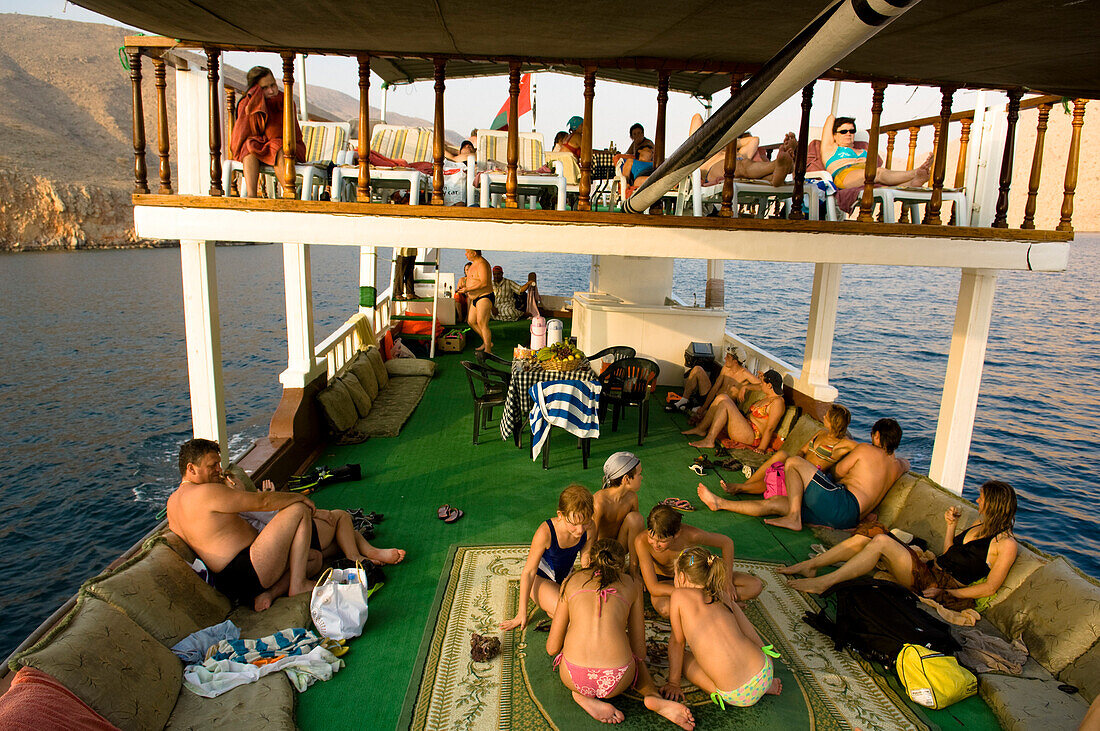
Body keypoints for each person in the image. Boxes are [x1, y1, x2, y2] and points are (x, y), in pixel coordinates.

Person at [785, 481, 1019, 613]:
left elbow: (990, 588)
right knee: (875, 530)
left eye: (981, 498)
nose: (978, 501)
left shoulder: (1006, 544)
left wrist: (946, 593)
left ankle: (825, 582)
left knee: (882, 541)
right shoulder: (981, 523)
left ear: (994, 504)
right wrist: (951, 526)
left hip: (937, 587)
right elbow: (950, 554)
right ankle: (811, 565)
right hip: (929, 569)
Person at [546, 538, 696, 729]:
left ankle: (581, 695)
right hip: (617, 679)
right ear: (621, 564)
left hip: (573, 676)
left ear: (591, 560)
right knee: (633, 655)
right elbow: (640, 652)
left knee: (571, 638)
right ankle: (652, 696)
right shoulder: (632, 584)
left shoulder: (571, 581)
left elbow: (552, 648)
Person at [167, 438, 317, 612]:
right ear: (191, 468)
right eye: (212, 466)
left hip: (231, 583)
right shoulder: (206, 492)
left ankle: (271, 593)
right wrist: (300, 497)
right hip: (248, 567)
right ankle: (298, 585)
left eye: (219, 464)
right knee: (298, 509)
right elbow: (263, 501)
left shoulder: (172, 504)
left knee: (313, 558)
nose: (219, 470)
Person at [697, 418, 909, 532]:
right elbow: (906, 464)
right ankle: (719, 503)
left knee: (793, 463)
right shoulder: (898, 465)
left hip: (842, 503)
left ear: (877, 436)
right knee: (776, 502)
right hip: (848, 519)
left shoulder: (866, 450)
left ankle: (794, 517)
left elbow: (836, 473)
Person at [661, 547, 782, 709]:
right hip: (765, 671)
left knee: (685, 658)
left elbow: (677, 642)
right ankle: (765, 686)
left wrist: (673, 683)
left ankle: (716, 692)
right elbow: (747, 628)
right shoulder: (722, 593)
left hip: (735, 695)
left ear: (681, 577)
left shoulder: (679, 596)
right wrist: (764, 653)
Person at [237, 478, 406, 567]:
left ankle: (372, 552)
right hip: (294, 538)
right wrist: (318, 514)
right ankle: (356, 558)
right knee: (340, 517)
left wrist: (270, 495)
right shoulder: (245, 502)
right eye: (234, 479)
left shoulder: (242, 507)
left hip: (292, 543)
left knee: (344, 535)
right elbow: (278, 517)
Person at [634, 505, 762, 618]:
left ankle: (705, 607)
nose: (656, 545)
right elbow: (653, 588)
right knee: (666, 609)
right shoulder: (642, 541)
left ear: (677, 534)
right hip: (666, 583)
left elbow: (726, 543)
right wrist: (698, 594)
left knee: (754, 586)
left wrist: (727, 581)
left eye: (662, 541)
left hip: (695, 578)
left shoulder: (691, 535)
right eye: (652, 538)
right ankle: (716, 606)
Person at [500, 485, 596, 631]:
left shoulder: (590, 527)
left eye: (585, 522)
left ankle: (553, 611)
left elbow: (585, 558)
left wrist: (588, 582)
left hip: (567, 576)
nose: (580, 530)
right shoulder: (546, 532)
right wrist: (521, 613)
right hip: (540, 580)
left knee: (588, 609)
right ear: (560, 515)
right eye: (574, 524)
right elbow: (529, 572)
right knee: (571, 616)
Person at [722, 403, 857, 496]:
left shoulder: (843, 444)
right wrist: (795, 459)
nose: (823, 417)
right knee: (781, 455)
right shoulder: (821, 433)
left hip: (810, 475)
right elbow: (803, 450)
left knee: (779, 477)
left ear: (833, 421)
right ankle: (747, 484)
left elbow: (862, 449)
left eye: (826, 416)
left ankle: (741, 488)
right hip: (798, 464)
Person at [229, 66, 307, 199]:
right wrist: (256, 102)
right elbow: (244, 132)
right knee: (249, 147)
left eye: (273, 85)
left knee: (278, 147)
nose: (271, 90)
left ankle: (289, 195)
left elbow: (275, 133)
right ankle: (252, 196)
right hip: (263, 147)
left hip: (290, 147)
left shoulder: (285, 101)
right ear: (256, 89)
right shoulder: (250, 103)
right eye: (265, 88)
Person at [682, 369, 785, 452]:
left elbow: (770, 428)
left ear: (769, 385)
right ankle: (701, 428)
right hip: (746, 426)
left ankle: (709, 440)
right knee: (722, 397)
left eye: (763, 383)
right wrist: (745, 387)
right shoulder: (769, 395)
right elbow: (758, 387)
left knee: (726, 403)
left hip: (752, 436)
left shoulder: (777, 403)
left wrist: (761, 449)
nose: (760, 384)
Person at [821, 114, 931, 190]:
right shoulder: (831, 149)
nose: (848, 134)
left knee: (887, 184)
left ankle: (914, 182)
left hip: (868, 175)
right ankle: (916, 172)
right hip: (845, 174)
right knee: (878, 173)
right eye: (843, 131)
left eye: (852, 131)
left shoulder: (863, 150)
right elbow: (830, 118)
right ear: (834, 135)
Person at [689, 113, 795, 188]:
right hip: (714, 168)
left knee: (756, 172)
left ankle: (777, 177)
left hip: (742, 166)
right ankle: (778, 164)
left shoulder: (739, 151)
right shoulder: (704, 150)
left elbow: (754, 140)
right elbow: (697, 118)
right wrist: (720, 143)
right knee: (741, 165)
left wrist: (729, 143)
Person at [591, 452, 645, 573]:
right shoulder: (600, 501)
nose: (641, 477)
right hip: (602, 550)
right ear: (626, 479)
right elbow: (591, 535)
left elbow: (636, 531)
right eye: (639, 474)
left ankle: (633, 570)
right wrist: (592, 565)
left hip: (620, 547)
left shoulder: (632, 498)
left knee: (635, 518)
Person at [679, 346, 759, 417]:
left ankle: (697, 410)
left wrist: (745, 387)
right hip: (712, 397)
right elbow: (715, 388)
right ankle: (683, 401)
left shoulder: (745, 374)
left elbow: (762, 385)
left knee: (697, 415)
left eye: (728, 357)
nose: (725, 358)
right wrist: (704, 407)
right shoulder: (726, 368)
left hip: (721, 405)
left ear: (735, 361)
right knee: (697, 369)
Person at [456, 249, 493, 352]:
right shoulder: (473, 264)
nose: (465, 254)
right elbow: (473, 280)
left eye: (467, 252)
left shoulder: (482, 264)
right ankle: (487, 343)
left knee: (482, 322)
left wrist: (468, 289)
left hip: (484, 296)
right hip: (475, 298)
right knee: (471, 321)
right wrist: (464, 286)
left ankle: (488, 350)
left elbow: (484, 283)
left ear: (474, 253)